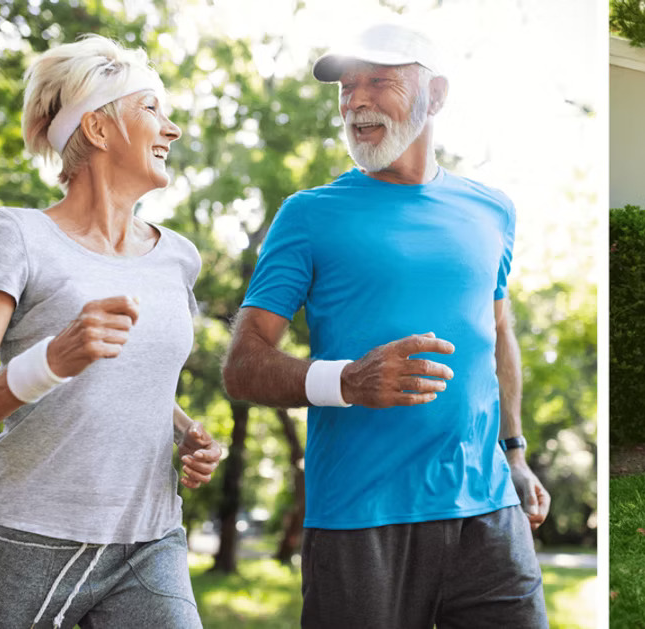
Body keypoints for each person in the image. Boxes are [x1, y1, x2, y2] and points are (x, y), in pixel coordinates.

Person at [222, 22, 551, 628]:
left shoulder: (493, 210)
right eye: (346, 88)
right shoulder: (308, 216)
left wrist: (515, 451)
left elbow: (496, 333)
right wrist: (343, 381)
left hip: (488, 513)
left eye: (379, 81)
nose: (356, 101)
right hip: (358, 520)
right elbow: (242, 365)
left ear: (438, 94)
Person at [0, 35, 225, 629]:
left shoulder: (179, 257)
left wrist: (190, 432)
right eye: (151, 109)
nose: (173, 130)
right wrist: (52, 359)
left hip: (150, 540)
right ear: (97, 129)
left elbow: (134, 381)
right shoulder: (15, 236)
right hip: (23, 543)